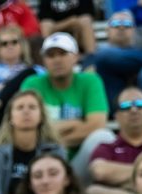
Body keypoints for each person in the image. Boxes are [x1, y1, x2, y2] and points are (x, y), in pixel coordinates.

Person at [19, 33, 109, 182]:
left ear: (75, 56)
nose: (57, 60)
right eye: (51, 55)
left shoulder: (90, 81)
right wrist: (75, 124)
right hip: (41, 160)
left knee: (102, 137)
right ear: (44, 61)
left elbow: (97, 125)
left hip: (78, 162)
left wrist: (50, 135)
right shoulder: (32, 83)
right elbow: (27, 130)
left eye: (62, 53)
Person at [0, 89, 61, 194]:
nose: (26, 111)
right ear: (10, 118)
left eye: (32, 107)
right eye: (20, 108)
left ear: (41, 116)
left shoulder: (55, 152)